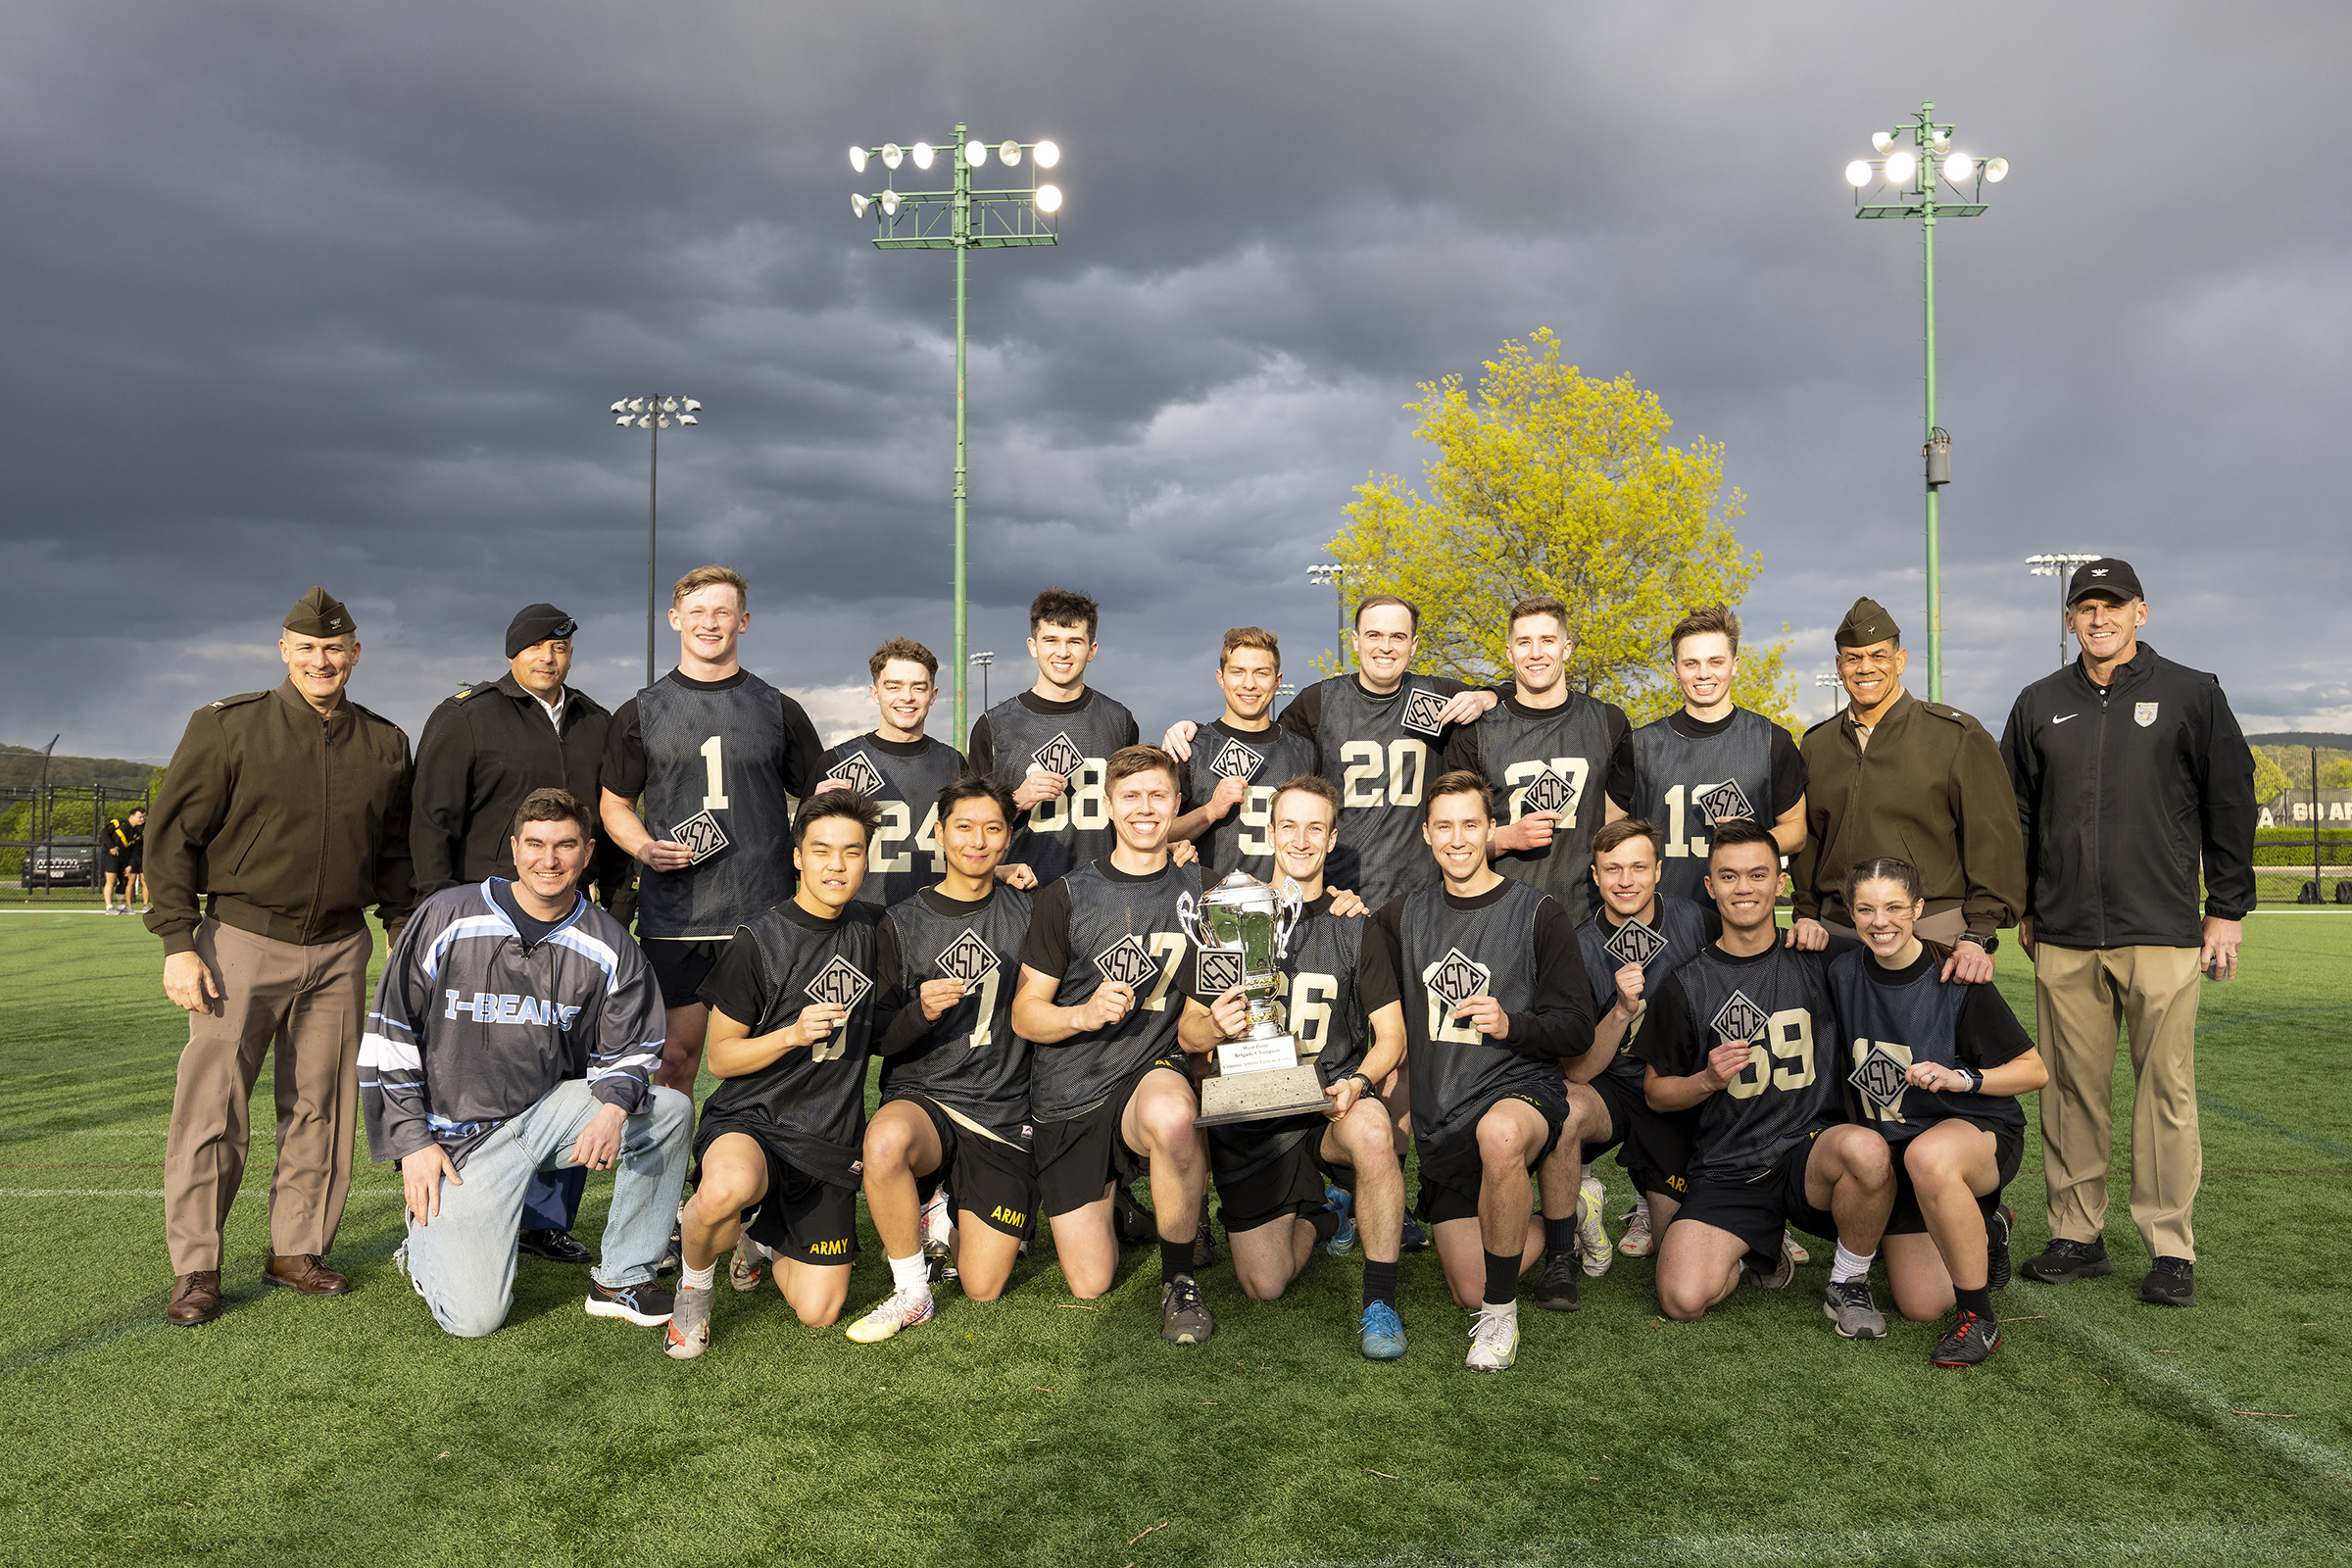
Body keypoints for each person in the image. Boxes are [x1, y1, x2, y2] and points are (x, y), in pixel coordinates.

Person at [146, 586, 416, 1327]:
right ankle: (196, 1267)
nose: (321, 660)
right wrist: (177, 941)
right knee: (212, 1109)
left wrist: (399, 925)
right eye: (307, 649)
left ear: (355, 653)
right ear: (284, 651)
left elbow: (395, 851)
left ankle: (296, 1251)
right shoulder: (227, 727)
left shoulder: (386, 741)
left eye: (335, 649)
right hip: (239, 940)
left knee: (321, 1109)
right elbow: (172, 839)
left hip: (338, 946)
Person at [2000, 557, 2257, 1308]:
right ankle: (2076, 1236)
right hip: (2066, 931)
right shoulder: (2039, 702)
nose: (2099, 618)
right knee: (2071, 1092)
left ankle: (2170, 1247)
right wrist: (2023, 904)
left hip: (2164, 927)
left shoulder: (2191, 692)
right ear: (2070, 618)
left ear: (2140, 613)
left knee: (2165, 1091)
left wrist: (2228, 908)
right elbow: (2014, 811)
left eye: (2113, 606)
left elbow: (2230, 801)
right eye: (2086, 607)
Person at [363, 788, 690, 1337]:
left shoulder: (609, 942)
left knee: (669, 1111)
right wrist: (412, 1143)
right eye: (535, 844)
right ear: (514, 849)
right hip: (456, 1144)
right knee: (474, 1320)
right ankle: (423, 1250)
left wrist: (611, 1111)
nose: (549, 860)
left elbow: (634, 1046)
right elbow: (389, 1035)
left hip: (543, 1117)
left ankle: (621, 1279)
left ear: (587, 853)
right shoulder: (447, 914)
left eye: (565, 846)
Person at [1362, 770, 1594, 1370]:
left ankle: (1499, 1317)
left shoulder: (1539, 912)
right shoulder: (1400, 917)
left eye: (1471, 824)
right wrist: (1341, 907)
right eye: (1445, 826)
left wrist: (1513, 1023)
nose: (1458, 838)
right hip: (1445, 1121)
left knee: (1501, 1135)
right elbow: (1363, 973)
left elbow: (1575, 1027)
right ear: (1426, 835)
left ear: (1492, 830)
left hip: (1520, 1092)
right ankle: (1568, 1210)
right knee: (1465, 1280)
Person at [1175, 774, 1411, 1359]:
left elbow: (1392, 1038)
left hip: (1331, 1102)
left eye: (1315, 828)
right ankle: (1323, 1211)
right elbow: (1187, 1030)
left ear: (1332, 839)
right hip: (1255, 1109)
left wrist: (1358, 1082)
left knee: (1376, 1133)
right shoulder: (1229, 911)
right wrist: (1216, 1026)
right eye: (1289, 826)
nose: (1301, 840)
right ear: (1269, 832)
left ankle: (1380, 1302)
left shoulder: (1356, 924)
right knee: (1265, 1285)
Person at [411, 601, 616, 1267]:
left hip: (571, 928)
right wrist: (428, 919)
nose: (549, 657)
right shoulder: (468, 715)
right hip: (481, 929)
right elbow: (432, 818)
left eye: (560, 647)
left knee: (568, 1066)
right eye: (536, 647)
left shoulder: (596, 721)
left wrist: (619, 894)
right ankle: (438, 1209)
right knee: (469, 1072)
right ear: (512, 654)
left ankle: (545, 1222)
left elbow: (612, 819)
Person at [1633, 821, 1894, 1336]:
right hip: (1729, 1164)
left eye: (1758, 874)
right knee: (1681, 1299)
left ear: (1780, 883)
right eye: (1728, 877)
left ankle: (1849, 1281)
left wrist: (1973, 948)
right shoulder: (1686, 983)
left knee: (1866, 1151)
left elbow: (1897, 952)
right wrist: (1706, 1080)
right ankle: (1760, 1251)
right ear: (1710, 887)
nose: (1744, 888)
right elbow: (1656, 1094)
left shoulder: (1820, 957)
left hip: (1808, 1152)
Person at [664, 792, 885, 1359]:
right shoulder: (758, 940)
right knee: (726, 1189)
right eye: (822, 851)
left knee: (819, 1311)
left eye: (852, 852)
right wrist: (790, 1033)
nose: (836, 865)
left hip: (826, 1139)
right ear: (797, 857)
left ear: (867, 859)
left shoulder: (875, 928)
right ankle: (694, 1291)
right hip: (754, 1122)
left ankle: (758, 1234)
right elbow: (720, 1059)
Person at [1009, 745, 1214, 1346]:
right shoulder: (1066, 894)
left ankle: (1178, 1282)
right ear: (1108, 806)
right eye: (1131, 797)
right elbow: (1026, 1015)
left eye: (1158, 796)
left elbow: (1201, 1016)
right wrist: (1082, 1014)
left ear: (1178, 803)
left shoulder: (1203, 892)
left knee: (1175, 1116)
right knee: (1090, 1282)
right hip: (1070, 1087)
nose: (1145, 809)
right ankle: (1125, 1203)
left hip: (1151, 1067)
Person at [599, 565, 826, 1094]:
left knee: (771, 1058)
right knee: (674, 1061)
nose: (710, 623)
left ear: (743, 621)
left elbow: (820, 799)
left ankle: (754, 1171)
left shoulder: (779, 709)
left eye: (723, 612)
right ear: (675, 619)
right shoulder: (640, 711)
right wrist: (646, 849)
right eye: (697, 612)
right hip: (676, 916)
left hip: (763, 912)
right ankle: (671, 1173)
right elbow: (614, 805)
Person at [1827, 857, 2046, 1367]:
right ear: (1851, 913)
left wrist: (1963, 1078)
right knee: (1921, 1303)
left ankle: (1979, 1321)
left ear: (1919, 909)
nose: (1880, 921)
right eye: (1866, 909)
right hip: (1896, 1146)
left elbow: (2034, 1071)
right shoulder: (1841, 972)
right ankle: (1989, 1228)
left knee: (1929, 1156)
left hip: (1972, 1135)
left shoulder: (1953, 976)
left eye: (1895, 907)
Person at [844, 776, 1039, 1343]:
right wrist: (918, 1014)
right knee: (883, 1143)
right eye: (963, 827)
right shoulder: (900, 922)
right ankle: (911, 1290)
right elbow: (876, 1037)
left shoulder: (1032, 913)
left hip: (1000, 1110)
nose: (977, 841)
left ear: (1008, 840)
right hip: (924, 1096)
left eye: (992, 829)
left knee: (981, 1286)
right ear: (939, 831)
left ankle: (942, 1204)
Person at [1162, 594, 1496, 908]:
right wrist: (1195, 732)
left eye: (1397, 637)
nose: (1385, 646)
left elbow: (1518, 703)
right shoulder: (1318, 703)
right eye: (1374, 635)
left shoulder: (1439, 694)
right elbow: (1257, 733)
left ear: (1413, 644)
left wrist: (1485, 696)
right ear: (1355, 640)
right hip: (1335, 893)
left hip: (1417, 892)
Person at [1788, 597, 2024, 981]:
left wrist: (1978, 933)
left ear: (1900, 660)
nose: (1866, 668)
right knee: (1839, 1042)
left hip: (1930, 927)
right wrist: (1806, 914)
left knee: (1930, 1042)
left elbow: (1994, 840)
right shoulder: (1817, 744)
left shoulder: (1956, 736)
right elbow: (1810, 842)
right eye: (1853, 658)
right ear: (1838, 666)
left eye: (1878, 655)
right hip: (1838, 931)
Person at [1542, 817, 1709, 1287]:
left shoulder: (1693, 920)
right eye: (1612, 869)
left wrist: (1808, 934)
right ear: (1594, 876)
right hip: (1612, 1087)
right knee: (1564, 1110)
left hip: (1677, 1092)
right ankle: (1561, 1253)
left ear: (1659, 870)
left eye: (1638, 867)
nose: (1626, 881)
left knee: (1678, 1256)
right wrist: (1619, 1010)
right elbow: (1576, 1071)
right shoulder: (1578, 946)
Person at [1446, 596, 1633, 924]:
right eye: (1524, 642)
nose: (1535, 653)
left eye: (1547, 640)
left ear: (1567, 648)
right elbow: (1451, 842)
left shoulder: (1609, 722)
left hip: (1587, 921)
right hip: (1500, 922)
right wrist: (1507, 837)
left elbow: (1619, 825)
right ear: (1509, 652)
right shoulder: (1475, 732)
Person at [1621, 605, 1807, 904]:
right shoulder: (1639, 744)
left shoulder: (1772, 740)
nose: (1704, 674)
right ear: (1674, 668)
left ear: (1734, 665)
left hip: (1744, 913)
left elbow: (1797, 830)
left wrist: (1758, 841)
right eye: (1691, 663)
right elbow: (1612, 833)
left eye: (1715, 661)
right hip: (1663, 917)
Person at [966, 588, 1141, 889]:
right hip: (1021, 896)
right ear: (1033, 646)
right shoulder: (995, 726)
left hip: (1102, 895)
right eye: (1051, 640)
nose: (1062, 652)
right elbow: (969, 824)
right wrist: (1017, 800)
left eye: (1075, 641)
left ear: (1092, 649)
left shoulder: (1119, 720)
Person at [817, 638, 987, 910]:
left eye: (918, 688)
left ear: (933, 694)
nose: (906, 697)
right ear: (875, 693)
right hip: (861, 923)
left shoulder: (954, 763)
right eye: (893, 686)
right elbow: (803, 851)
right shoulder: (838, 761)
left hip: (933, 923)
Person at [1167, 627, 1319, 886]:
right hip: (1208, 908)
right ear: (1220, 678)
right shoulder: (1190, 749)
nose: (1249, 684)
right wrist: (1210, 811)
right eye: (1237, 672)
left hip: (1284, 910)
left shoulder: (1304, 751)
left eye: (1261, 673)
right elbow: (1160, 833)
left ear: (1277, 680)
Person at [102, 806, 147, 913]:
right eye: (140, 817)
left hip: (124, 858)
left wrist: (130, 864)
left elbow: (134, 850)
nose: (142, 819)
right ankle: (109, 907)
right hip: (110, 854)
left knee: (124, 881)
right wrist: (111, 846)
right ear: (131, 817)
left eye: (144, 817)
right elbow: (104, 832)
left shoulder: (136, 832)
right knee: (111, 879)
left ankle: (121, 906)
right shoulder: (118, 823)